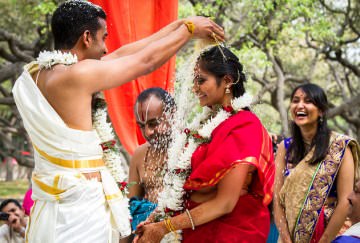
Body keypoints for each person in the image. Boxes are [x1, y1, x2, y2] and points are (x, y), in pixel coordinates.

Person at [11, 1, 225, 242]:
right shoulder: (78, 76)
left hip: (49, 206)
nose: (105, 49)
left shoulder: (31, 76)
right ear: (86, 37)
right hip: (78, 208)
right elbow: (145, 62)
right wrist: (188, 31)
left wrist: (178, 25)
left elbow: (126, 53)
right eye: (103, 38)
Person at [135, 46, 275, 242]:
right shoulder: (203, 126)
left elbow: (225, 203)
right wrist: (154, 220)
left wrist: (165, 227)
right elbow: (181, 188)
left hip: (231, 233)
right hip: (197, 229)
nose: (195, 88)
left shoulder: (245, 126)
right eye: (194, 81)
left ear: (227, 81)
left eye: (201, 80)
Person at [274, 83, 360, 243]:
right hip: (290, 236)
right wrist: (286, 239)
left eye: (308, 101)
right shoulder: (284, 148)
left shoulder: (340, 147)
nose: (300, 105)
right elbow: (278, 200)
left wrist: (325, 240)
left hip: (329, 234)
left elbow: (344, 201)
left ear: (321, 110)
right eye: (295, 100)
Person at [128, 87, 175, 231]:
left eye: (154, 123)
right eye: (142, 126)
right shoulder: (139, 154)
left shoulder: (192, 148)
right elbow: (131, 208)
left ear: (172, 115)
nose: (148, 132)